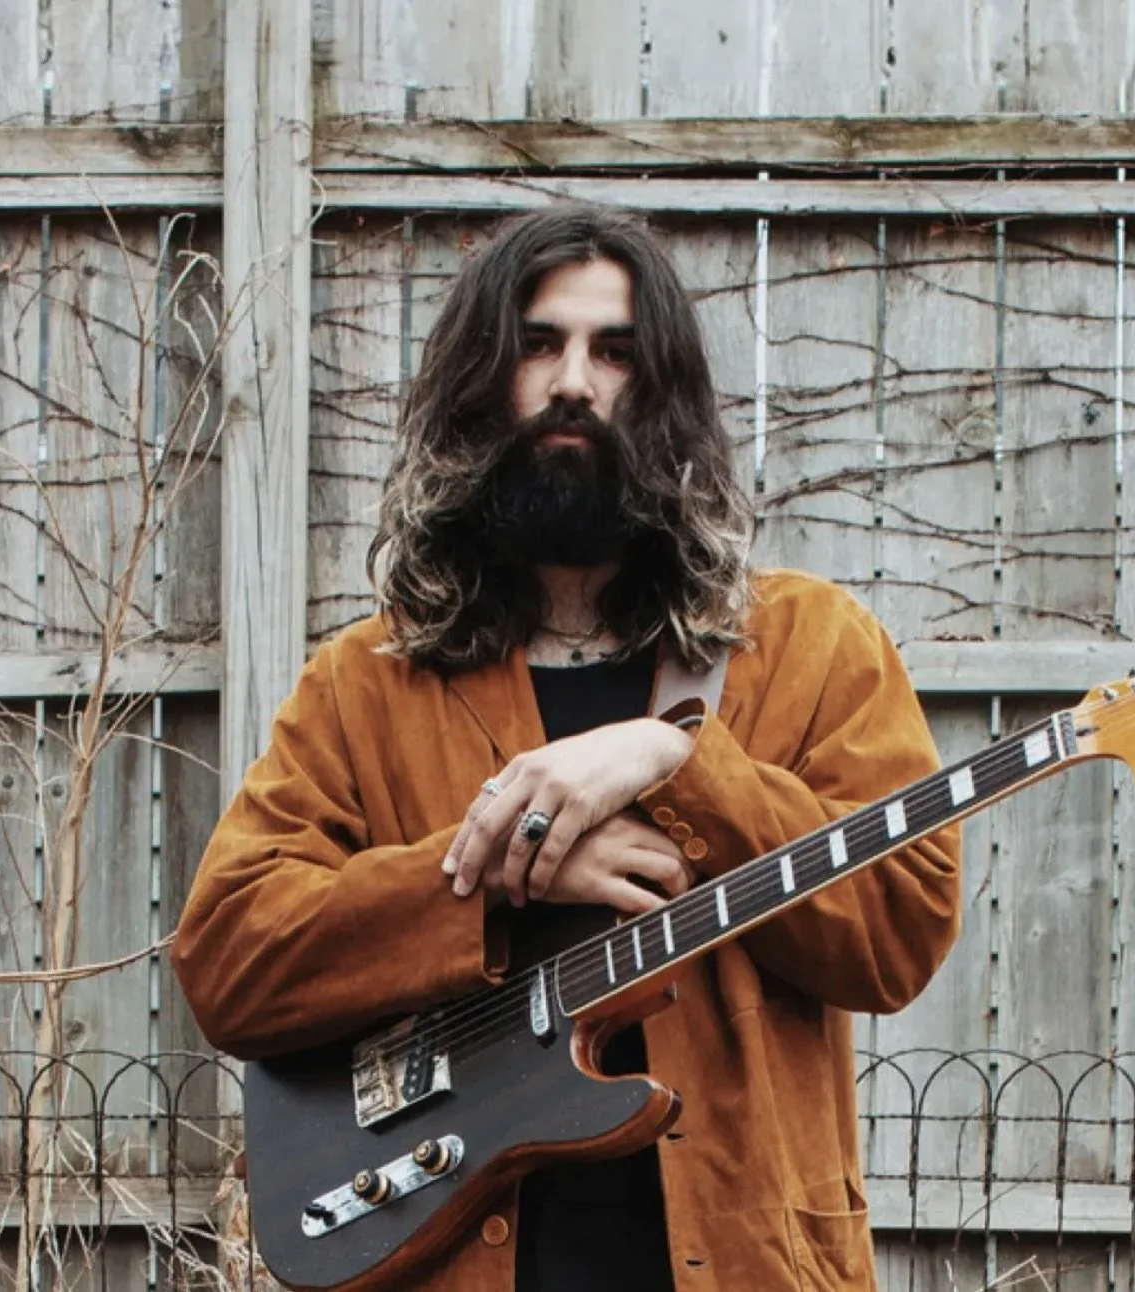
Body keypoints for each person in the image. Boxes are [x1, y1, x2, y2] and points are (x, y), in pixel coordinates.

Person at [172, 205, 962, 1292]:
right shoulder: (370, 679)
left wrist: (683, 762)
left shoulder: (816, 647)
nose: (575, 383)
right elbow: (227, 955)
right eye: (538, 345)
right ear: (480, 385)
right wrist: (495, 879)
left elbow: (898, 931)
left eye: (615, 352)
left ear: (665, 392)